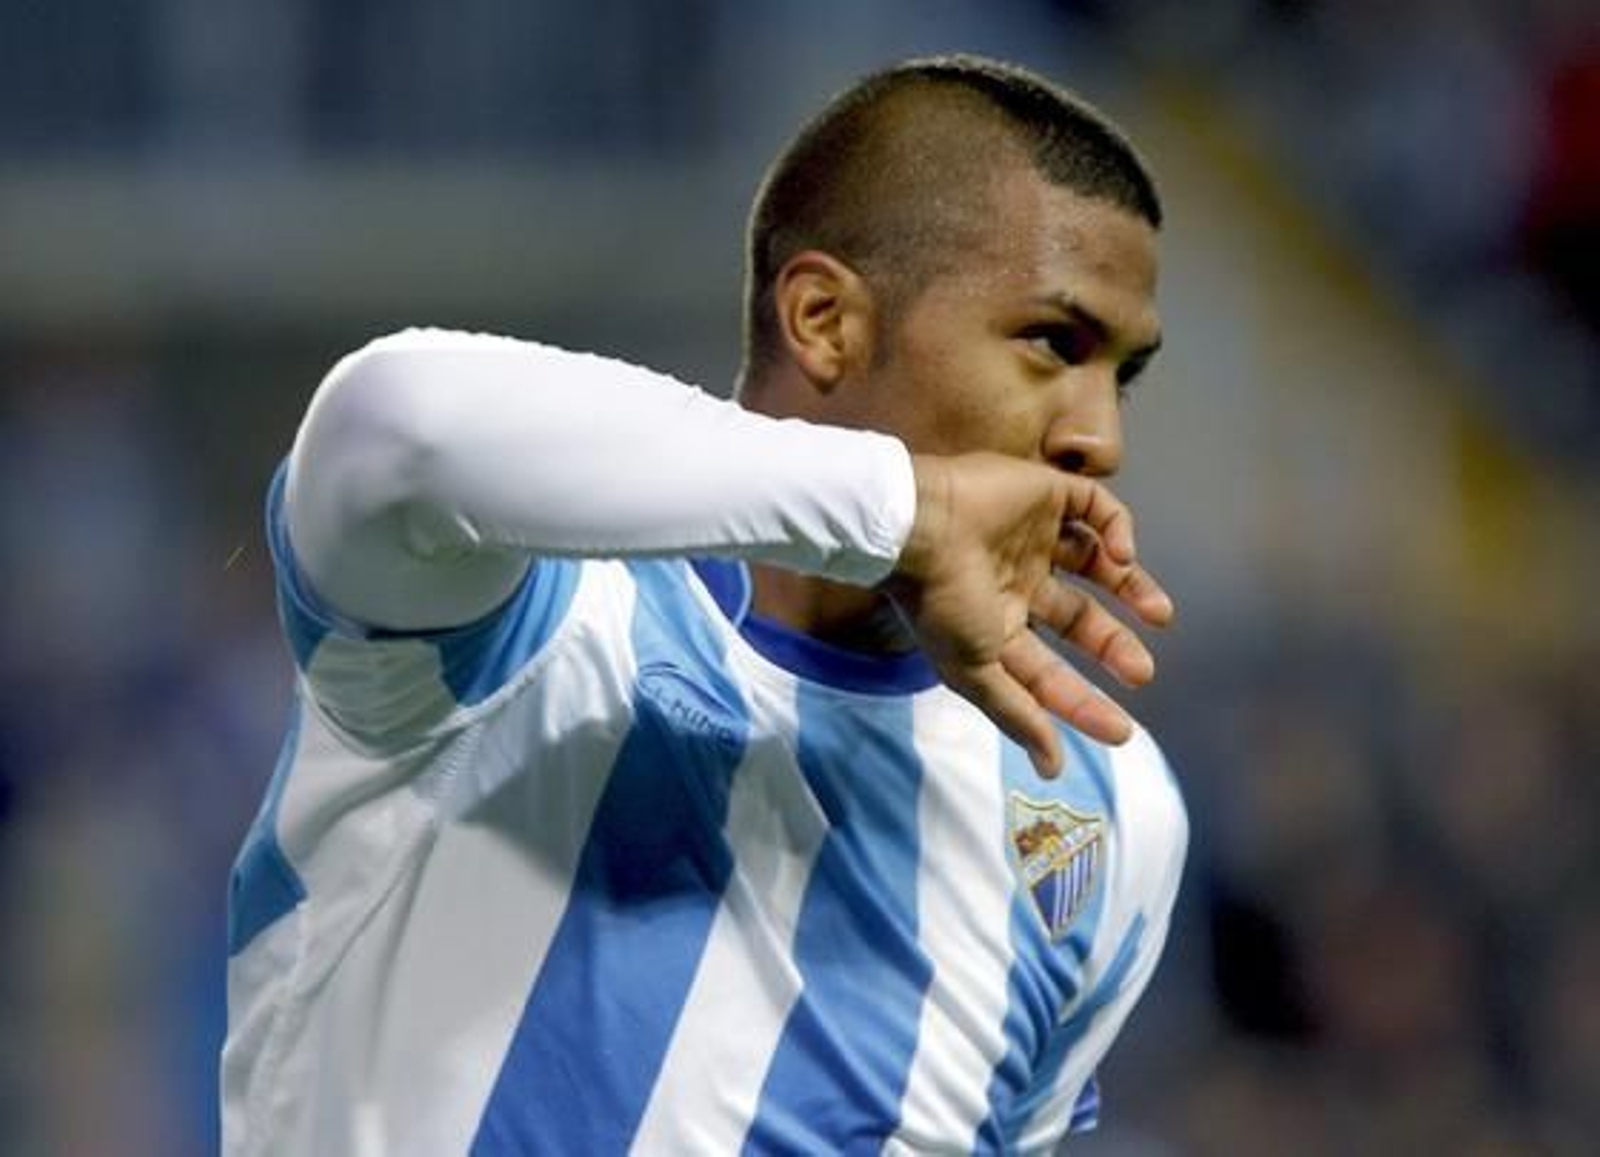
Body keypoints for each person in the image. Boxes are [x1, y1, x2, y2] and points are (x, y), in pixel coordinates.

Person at [221, 53, 1188, 1155]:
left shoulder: (1107, 809)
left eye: (1123, 373)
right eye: (1051, 343)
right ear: (824, 319)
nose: (1097, 437)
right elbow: (397, 420)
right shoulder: (515, 618)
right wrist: (903, 508)